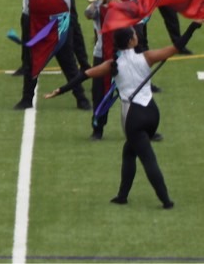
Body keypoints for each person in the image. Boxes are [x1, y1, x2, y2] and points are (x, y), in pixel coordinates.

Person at [45, 22, 200, 208]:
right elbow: (177, 46)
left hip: (134, 118)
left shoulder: (112, 65)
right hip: (152, 113)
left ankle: (166, 201)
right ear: (130, 41)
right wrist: (192, 27)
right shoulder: (147, 57)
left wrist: (60, 90)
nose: (137, 36)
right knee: (129, 152)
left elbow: (83, 75)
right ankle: (122, 196)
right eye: (134, 34)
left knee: (147, 159)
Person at [6, 0, 89, 111]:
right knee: (31, 61)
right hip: (34, 19)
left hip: (59, 21)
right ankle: (27, 99)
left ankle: (81, 98)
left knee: (68, 61)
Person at [79, 0, 147, 140]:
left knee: (139, 82)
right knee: (100, 86)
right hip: (106, 22)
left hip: (131, 22)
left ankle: (145, 126)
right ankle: (98, 128)